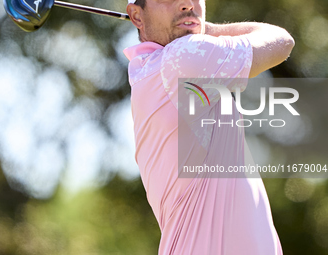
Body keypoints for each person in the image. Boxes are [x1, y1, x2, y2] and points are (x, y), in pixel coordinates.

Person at [123, 0, 295, 254]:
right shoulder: (183, 57)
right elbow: (281, 41)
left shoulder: (149, 72)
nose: (186, 3)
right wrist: (210, 29)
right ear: (137, 16)